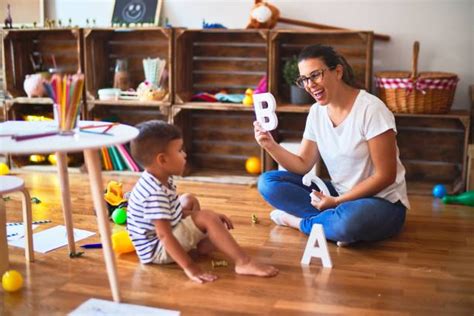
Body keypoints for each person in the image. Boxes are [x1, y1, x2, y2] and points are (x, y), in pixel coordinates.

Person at [254, 44, 409, 246]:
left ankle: (301, 223)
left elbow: (385, 176)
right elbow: (302, 164)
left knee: (350, 220)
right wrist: (269, 145)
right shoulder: (317, 113)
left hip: (382, 203)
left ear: (337, 71)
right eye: (304, 80)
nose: (310, 85)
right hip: (337, 195)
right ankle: (334, 226)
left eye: (315, 75)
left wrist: (337, 203)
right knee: (268, 183)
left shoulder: (371, 110)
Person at [128, 120, 278, 283]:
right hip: (157, 250)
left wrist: (205, 217)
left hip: (162, 238)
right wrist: (190, 267)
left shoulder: (161, 178)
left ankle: (201, 243)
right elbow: (164, 235)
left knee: (189, 200)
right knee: (206, 218)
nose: (184, 154)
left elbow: (171, 213)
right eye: (179, 151)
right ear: (162, 160)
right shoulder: (154, 193)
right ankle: (244, 262)